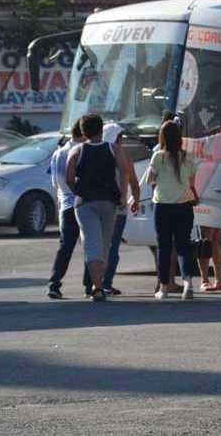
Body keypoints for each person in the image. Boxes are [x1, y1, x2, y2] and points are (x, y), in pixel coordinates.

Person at [66, 114, 138, 302]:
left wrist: (78, 190)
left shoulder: (77, 151)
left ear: (83, 132)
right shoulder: (113, 149)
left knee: (91, 243)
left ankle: (96, 287)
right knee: (105, 244)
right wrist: (123, 195)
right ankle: (100, 284)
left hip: (84, 203)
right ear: (101, 130)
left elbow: (68, 177)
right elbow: (124, 172)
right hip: (108, 202)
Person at [145, 120, 199, 300]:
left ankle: (164, 288)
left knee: (164, 247)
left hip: (163, 206)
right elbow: (191, 182)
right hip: (184, 205)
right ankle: (188, 284)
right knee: (184, 245)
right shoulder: (189, 157)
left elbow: (150, 180)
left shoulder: (158, 157)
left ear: (163, 137)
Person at [47, 120, 91, 299]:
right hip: (84, 203)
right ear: (83, 134)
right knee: (91, 245)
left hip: (65, 204)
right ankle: (90, 285)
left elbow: (55, 183)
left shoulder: (58, 153)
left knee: (65, 247)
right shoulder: (82, 151)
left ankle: (54, 284)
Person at [100, 123, 141, 296]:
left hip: (96, 206)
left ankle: (94, 283)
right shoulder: (123, 155)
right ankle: (106, 283)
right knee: (112, 246)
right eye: (121, 137)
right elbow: (133, 182)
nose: (123, 140)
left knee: (98, 246)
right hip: (118, 208)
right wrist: (136, 200)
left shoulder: (93, 153)